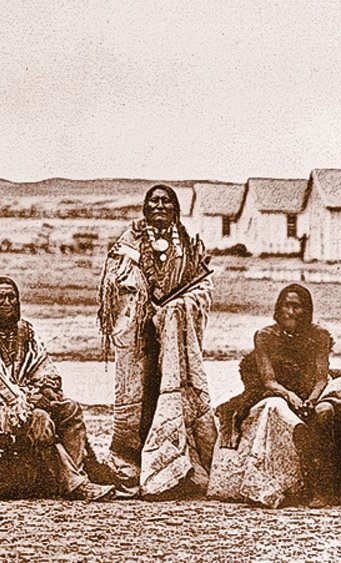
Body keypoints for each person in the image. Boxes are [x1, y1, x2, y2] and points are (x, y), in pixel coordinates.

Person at [209, 284, 341, 508]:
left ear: (307, 310)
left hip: (312, 390)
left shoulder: (319, 336)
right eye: (286, 306)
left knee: (324, 412)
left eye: (297, 307)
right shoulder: (264, 336)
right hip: (278, 391)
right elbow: (269, 380)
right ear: (278, 309)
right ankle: (301, 486)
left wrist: (311, 400)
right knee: (282, 413)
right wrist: (290, 397)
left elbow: (321, 378)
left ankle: (324, 488)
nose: (291, 312)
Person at [0, 277, 115, 502]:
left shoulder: (23, 329)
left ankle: (71, 478)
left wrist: (46, 387)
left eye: (11, 297)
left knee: (70, 409)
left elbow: (41, 362)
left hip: (23, 396)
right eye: (0, 297)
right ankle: (76, 485)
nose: (7, 302)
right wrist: (30, 399)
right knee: (40, 418)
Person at [97, 184, 216, 497]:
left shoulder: (189, 242)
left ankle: (175, 464)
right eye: (154, 200)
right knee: (138, 395)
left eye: (166, 201)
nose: (160, 205)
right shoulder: (130, 238)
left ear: (175, 207)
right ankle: (130, 464)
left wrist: (177, 309)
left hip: (175, 332)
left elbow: (203, 285)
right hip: (138, 333)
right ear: (145, 206)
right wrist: (144, 304)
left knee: (173, 392)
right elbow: (115, 279)